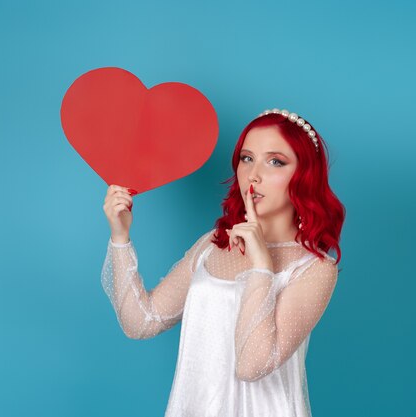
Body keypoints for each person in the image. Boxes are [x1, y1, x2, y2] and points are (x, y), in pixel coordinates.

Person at [101, 108, 345, 417]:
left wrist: (261, 264)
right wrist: (120, 236)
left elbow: (252, 365)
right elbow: (142, 322)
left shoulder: (315, 269)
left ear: (304, 174)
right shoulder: (212, 245)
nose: (254, 175)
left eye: (275, 161)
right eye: (247, 158)